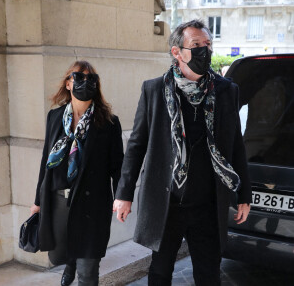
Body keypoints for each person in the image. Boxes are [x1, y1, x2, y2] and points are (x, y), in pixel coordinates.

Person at [113, 19, 252, 286]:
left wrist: (243, 194)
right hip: (168, 202)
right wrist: (124, 193)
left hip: (208, 204)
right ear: (177, 52)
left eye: (208, 44)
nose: (205, 51)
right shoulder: (154, 90)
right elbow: (136, 145)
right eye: (196, 45)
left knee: (209, 273)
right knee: (160, 271)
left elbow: (236, 145)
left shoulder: (226, 91)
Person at [30, 60, 124, 286]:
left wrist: (122, 197)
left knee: (88, 271)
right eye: (79, 78)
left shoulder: (109, 123)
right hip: (58, 201)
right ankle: (70, 262)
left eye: (91, 79)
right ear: (68, 83)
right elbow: (46, 161)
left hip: (92, 205)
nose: (85, 83)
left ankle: (77, 263)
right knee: (59, 254)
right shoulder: (55, 117)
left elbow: (117, 166)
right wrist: (37, 202)